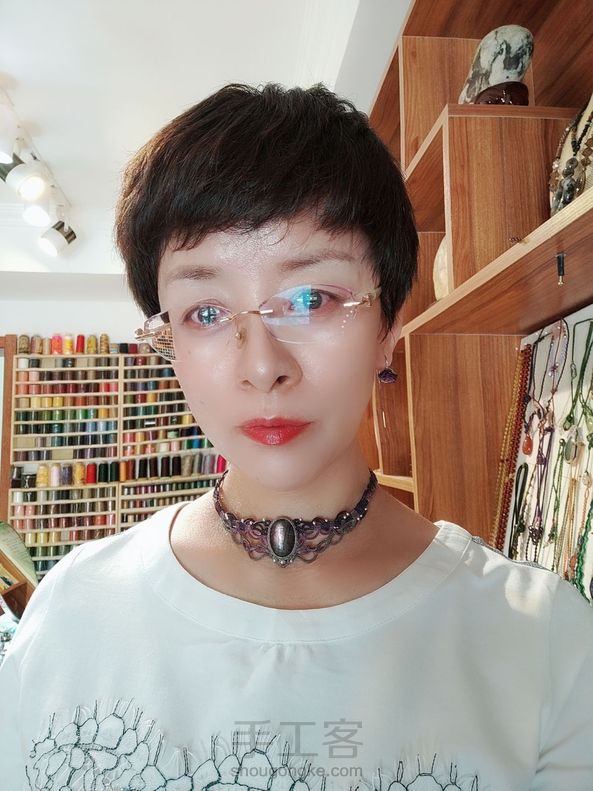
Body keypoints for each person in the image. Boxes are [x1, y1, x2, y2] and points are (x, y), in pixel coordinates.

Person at [1, 83, 592, 791]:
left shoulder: (539, 642)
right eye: (205, 311)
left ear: (388, 328)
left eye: (312, 298)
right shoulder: (74, 608)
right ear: (170, 340)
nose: (262, 366)